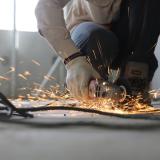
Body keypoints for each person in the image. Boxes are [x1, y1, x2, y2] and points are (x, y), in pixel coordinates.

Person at [35, 0, 160, 100]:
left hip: (128, 41)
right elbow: (46, 6)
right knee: (95, 37)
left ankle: (134, 83)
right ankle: (86, 84)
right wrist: (74, 61)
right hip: (90, 32)